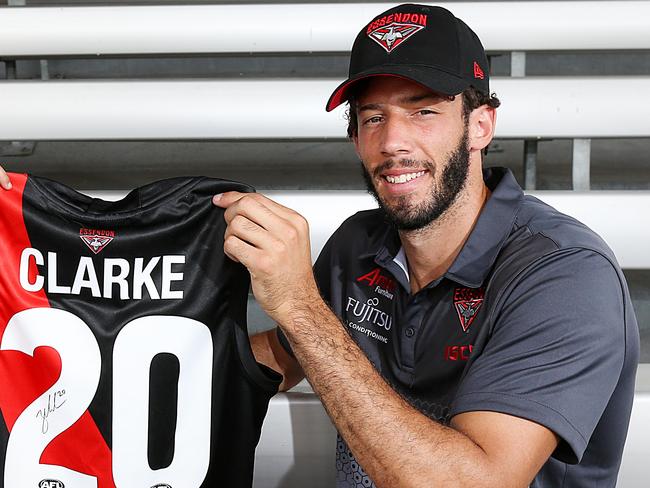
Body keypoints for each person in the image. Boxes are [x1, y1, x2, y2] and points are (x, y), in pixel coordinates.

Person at [0, 4, 640, 487]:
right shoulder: (364, 247)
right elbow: (264, 362)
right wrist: (49, 336)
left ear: (481, 125)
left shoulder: (562, 275)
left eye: (423, 111)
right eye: (372, 118)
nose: (393, 142)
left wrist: (300, 304)